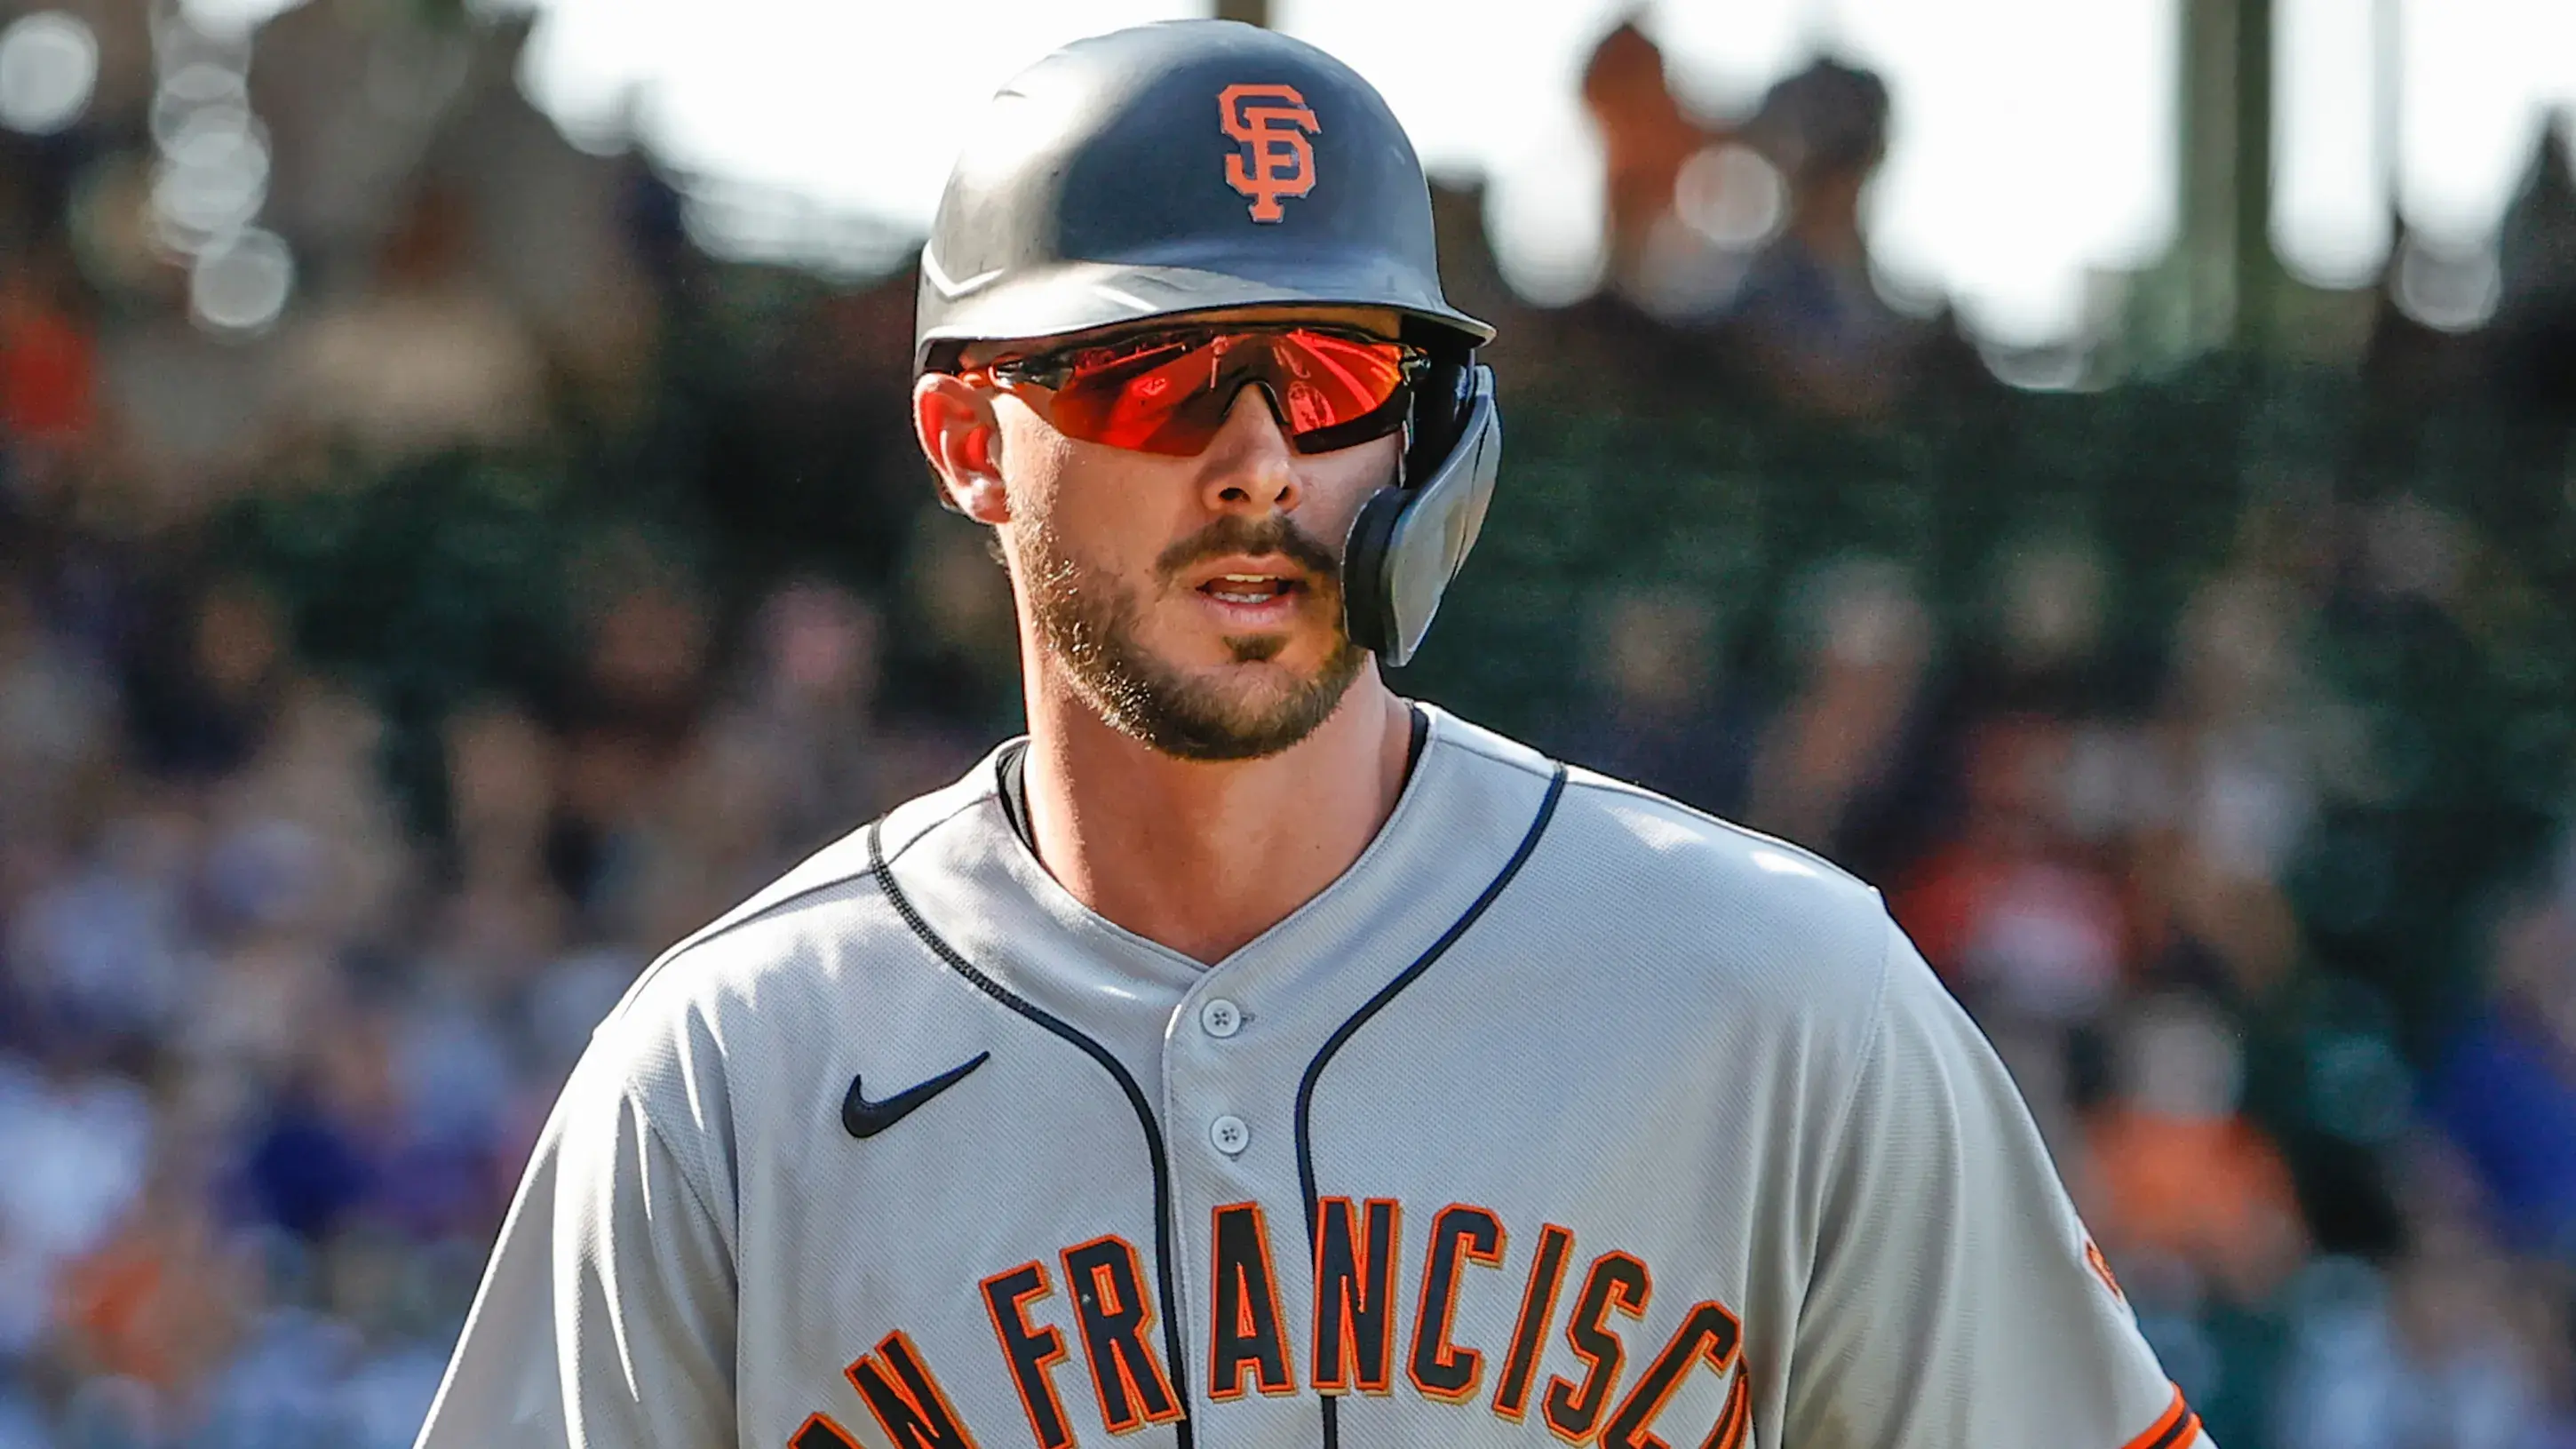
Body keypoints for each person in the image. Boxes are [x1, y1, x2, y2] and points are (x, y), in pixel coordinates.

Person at [411, 20, 2208, 1449]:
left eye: (1337, 372)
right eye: (1156, 368)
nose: (1260, 454)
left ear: (1429, 434)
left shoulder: (1782, 995)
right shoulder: (725, 1081)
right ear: (971, 440)